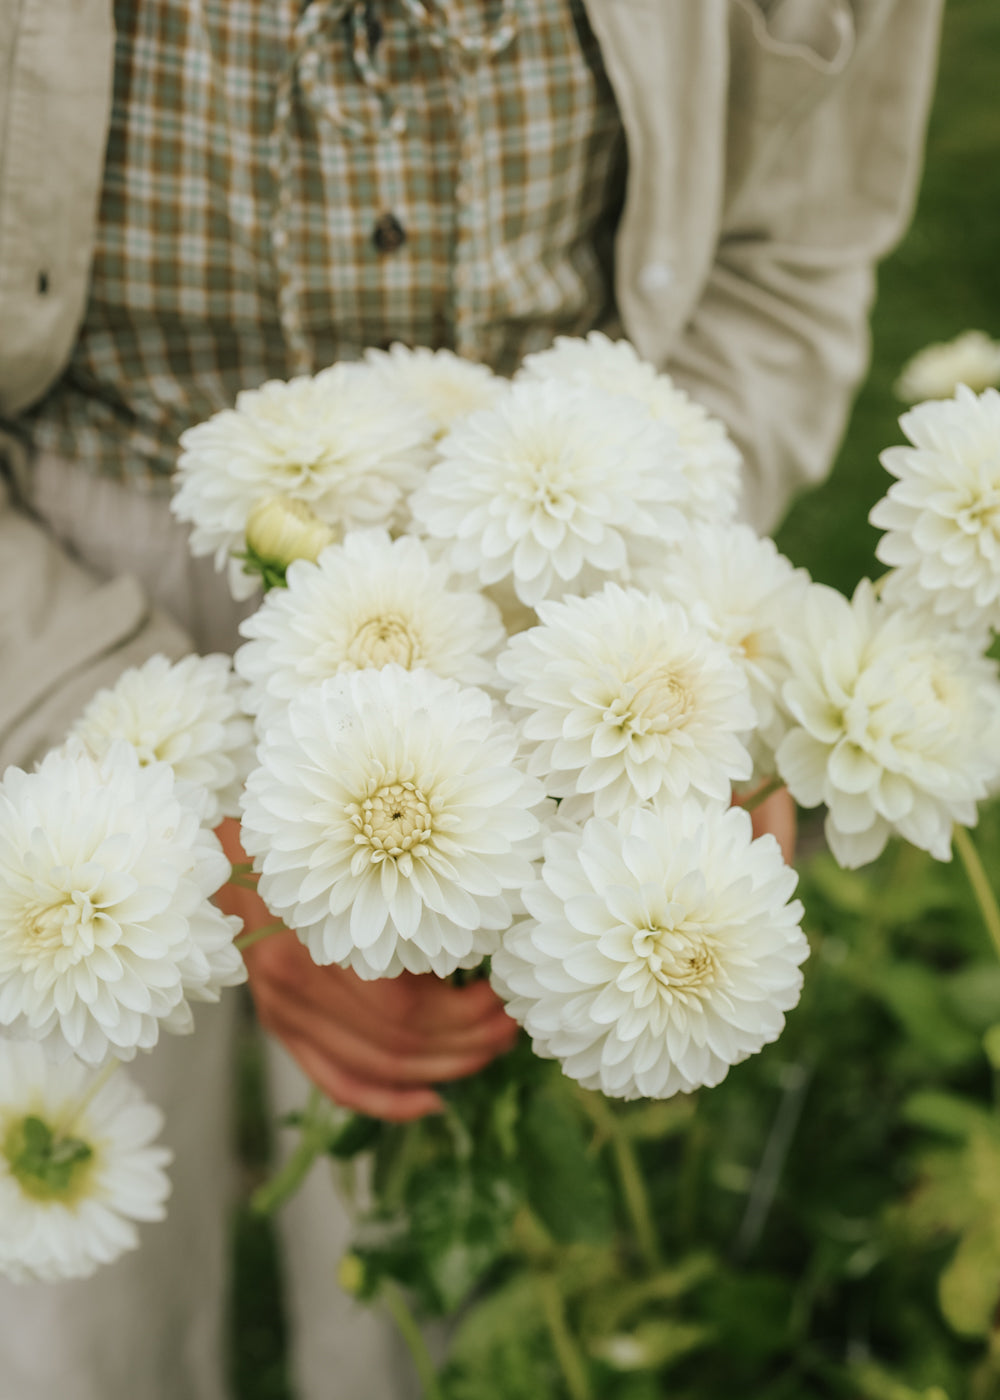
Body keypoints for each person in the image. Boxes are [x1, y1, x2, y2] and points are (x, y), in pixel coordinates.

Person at [0, 0, 943, 1395]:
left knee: (458, 1290)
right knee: (68, 1278)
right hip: (64, 552)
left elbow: (785, 264)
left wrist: (679, 648)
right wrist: (80, 699)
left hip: (548, 576)